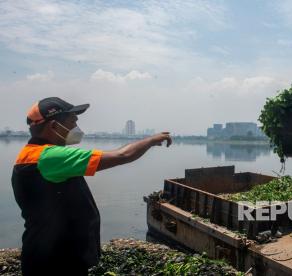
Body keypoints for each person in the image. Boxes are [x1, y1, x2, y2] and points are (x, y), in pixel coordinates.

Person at [11, 97, 172, 276]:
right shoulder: (49, 157)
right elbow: (122, 155)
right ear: (54, 126)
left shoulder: (32, 155)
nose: (77, 127)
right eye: (73, 122)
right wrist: (151, 140)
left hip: (51, 253)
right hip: (55, 261)